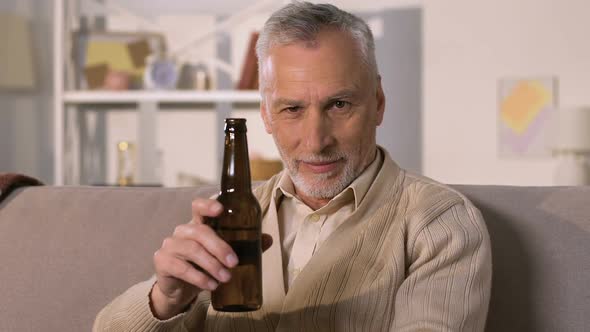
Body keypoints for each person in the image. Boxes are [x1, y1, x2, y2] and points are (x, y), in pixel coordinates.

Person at [93, 2, 492, 331]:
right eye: (292, 109)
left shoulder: (440, 223)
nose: (316, 141)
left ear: (379, 103)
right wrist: (165, 298)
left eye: (339, 105)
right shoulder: (228, 215)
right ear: (266, 116)